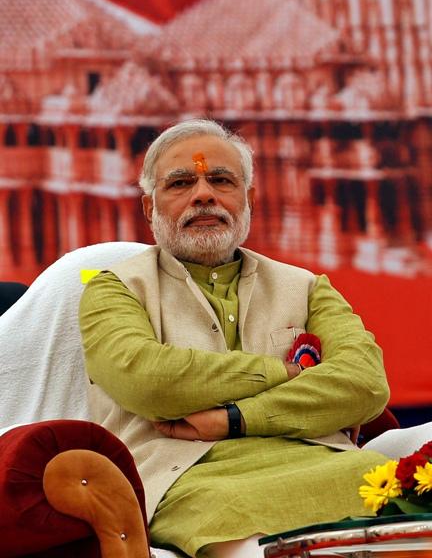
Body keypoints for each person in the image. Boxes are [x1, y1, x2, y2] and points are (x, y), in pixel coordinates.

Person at [79, 119, 390, 558]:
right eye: (181, 182)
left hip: (325, 461)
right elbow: (150, 381)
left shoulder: (304, 287)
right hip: (190, 477)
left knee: (389, 490)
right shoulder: (114, 290)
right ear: (150, 208)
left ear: (249, 199)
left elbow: (365, 384)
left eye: (220, 180)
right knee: (228, 513)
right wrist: (288, 371)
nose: (203, 193)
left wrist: (234, 418)